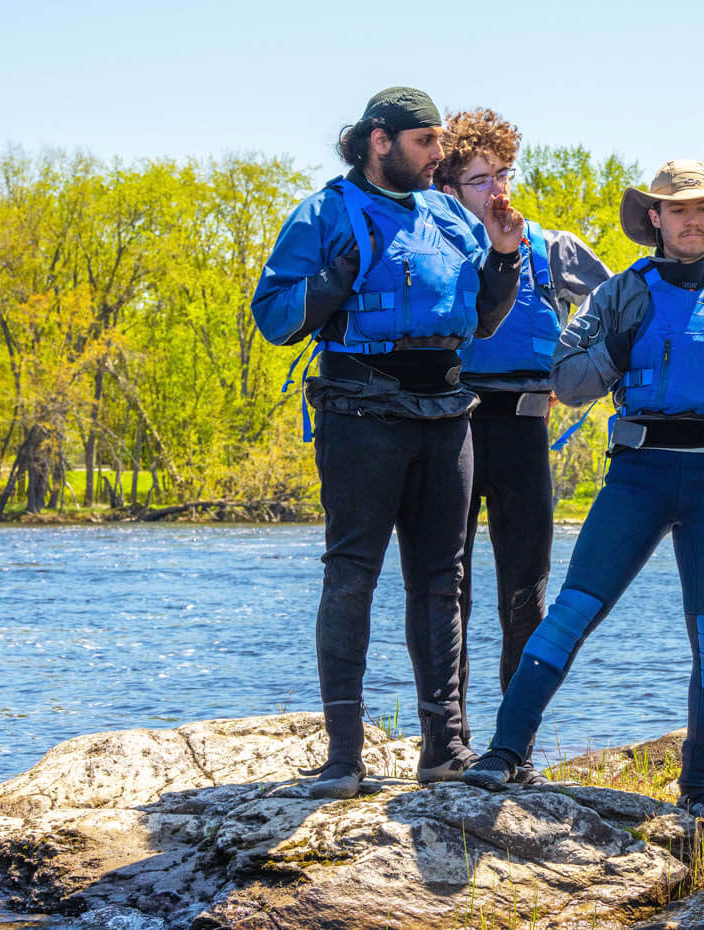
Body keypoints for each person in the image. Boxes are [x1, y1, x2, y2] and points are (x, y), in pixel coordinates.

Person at [461, 161, 704, 822]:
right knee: (569, 615)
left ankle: (701, 787)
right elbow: (566, 381)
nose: (692, 219)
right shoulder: (620, 293)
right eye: (678, 210)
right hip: (637, 477)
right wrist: (616, 350)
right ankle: (503, 754)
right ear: (655, 218)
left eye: (703, 208)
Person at [250, 87, 525, 798]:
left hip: (445, 414)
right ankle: (344, 759)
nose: (440, 155)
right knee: (353, 577)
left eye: (438, 143)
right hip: (360, 414)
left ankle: (445, 750)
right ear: (379, 141)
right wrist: (332, 279)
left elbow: (486, 323)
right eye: (427, 142)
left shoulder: (446, 215)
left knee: (444, 582)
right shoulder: (324, 213)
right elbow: (275, 318)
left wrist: (502, 257)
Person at [433, 108, 612, 785]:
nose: (498, 191)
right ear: (450, 189)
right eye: (481, 180)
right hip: (451, 427)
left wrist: (579, 372)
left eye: (504, 174)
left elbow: (617, 308)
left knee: (526, 594)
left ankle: (516, 749)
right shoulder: (435, 246)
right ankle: (448, 745)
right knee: (448, 590)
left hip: (523, 425)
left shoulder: (551, 247)